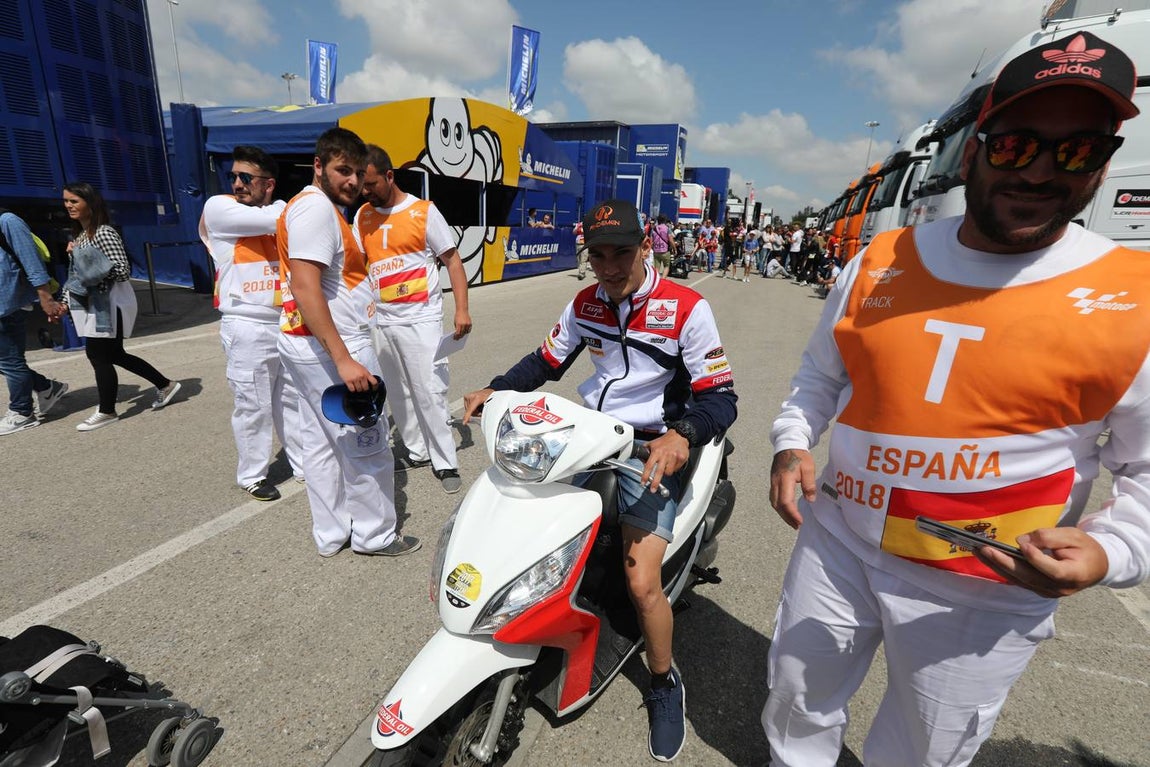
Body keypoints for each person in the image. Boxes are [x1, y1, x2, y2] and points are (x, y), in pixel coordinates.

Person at [763, 31, 1148, 767]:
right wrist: (790, 441)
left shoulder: (1137, 298)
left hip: (985, 586)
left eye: (1077, 151)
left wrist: (1111, 548)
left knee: (921, 752)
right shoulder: (878, 259)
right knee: (796, 698)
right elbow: (818, 376)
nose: (1040, 171)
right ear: (974, 147)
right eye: (1016, 146)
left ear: (1103, 162)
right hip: (838, 541)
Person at [462, 199, 737, 762]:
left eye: (622, 254)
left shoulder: (686, 307)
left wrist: (681, 433)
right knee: (529, 532)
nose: (609, 267)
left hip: (652, 448)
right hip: (590, 435)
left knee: (641, 585)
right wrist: (494, 389)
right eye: (599, 255)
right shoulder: (585, 302)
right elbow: (544, 360)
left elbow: (722, 397)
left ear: (646, 247)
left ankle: (663, 682)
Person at [277, 127, 418, 557]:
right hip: (332, 346)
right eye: (343, 171)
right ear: (318, 166)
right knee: (367, 441)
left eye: (358, 173)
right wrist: (343, 359)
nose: (353, 182)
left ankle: (331, 533)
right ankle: (375, 536)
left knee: (319, 442)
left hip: (306, 342)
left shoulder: (313, 208)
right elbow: (305, 286)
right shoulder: (316, 210)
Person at [355, 144, 471, 494]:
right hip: (382, 321)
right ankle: (417, 450)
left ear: (389, 176)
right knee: (397, 391)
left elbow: (452, 260)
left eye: (371, 184)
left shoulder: (424, 212)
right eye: (362, 185)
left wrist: (462, 309)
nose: (366, 191)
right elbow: (361, 268)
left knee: (428, 390)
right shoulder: (362, 215)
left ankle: (445, 461)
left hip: (420, 318)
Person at [201, 145, 304, 501]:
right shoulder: (218, 208)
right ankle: (253, 474)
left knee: (291, 400)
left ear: (269, 183)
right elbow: (278, 218)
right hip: (245, 324)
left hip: (285, 321)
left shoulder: (280, 213)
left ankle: (304, 464)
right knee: (253, 403)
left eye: (246, 177)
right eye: (233, 176)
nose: (237, 184)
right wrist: (283, 207)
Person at [60, 183, 180, 431]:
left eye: (74, 201)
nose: (69, 206)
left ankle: (107, 411)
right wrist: (63, 302)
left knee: (98, 354)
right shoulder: (80, 237)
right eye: (66, 201)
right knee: (114, 354)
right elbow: (76, 276)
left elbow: (123, 270)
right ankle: (165, 384)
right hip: (95, 304)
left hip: (111, 302)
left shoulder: (104, 232)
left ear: (90, 204)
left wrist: (82, 256)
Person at [0, 208, 68, 435]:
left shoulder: (7, 220)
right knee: (8, 361)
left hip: (9, 303)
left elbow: (31, 261)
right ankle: (46, 386)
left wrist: (45, 296)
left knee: (10, 360)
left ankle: (22, 412)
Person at [650, 214, 675, 279]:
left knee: (656, 268)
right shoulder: (667, 228)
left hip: (656, 251)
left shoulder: (654, 228)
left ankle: (656, 280)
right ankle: (663, 279)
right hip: (665, 251)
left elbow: (651, 240)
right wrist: (674, 248)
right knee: (666, 266)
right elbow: (671, 240)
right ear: (665, 221)